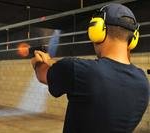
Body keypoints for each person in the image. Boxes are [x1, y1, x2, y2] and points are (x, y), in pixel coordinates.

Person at [31, 3, 149, 133]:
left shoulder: (77, 70)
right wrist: (50, 62)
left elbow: (42, 74)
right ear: (134, 39)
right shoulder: (143, 82)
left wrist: (38, 62)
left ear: (97, 31)